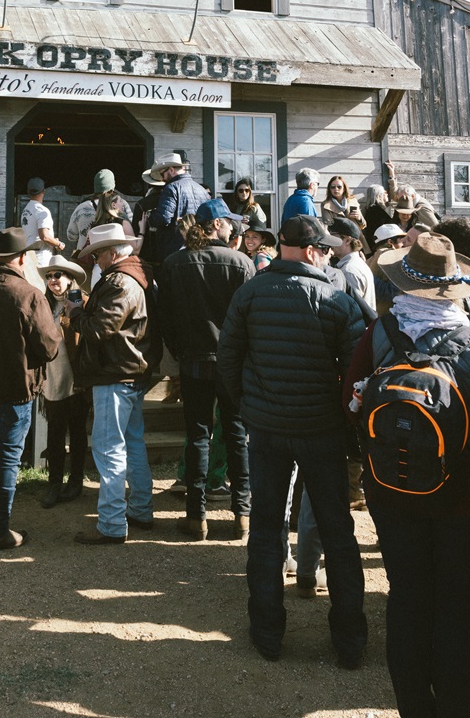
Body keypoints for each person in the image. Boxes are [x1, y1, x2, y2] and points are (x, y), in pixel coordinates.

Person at [219, 215, 367, 667]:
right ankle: (349, 642)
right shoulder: (336, 299)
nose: (326, 255)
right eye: (322, 249)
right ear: (308, 251)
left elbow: (228, 357)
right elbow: (357, 374)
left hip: (268, 428)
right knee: (338, 531)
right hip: (320, 429)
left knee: (266, 529)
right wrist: (344, 421)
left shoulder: (250, 292)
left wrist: (248, 407)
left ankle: (267, 633)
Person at [345, 232, 470, 717]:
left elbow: (351, 404)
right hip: (464, 498)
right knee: (459, 606)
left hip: (392, 490)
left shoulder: (379, 333)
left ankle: (413, 709)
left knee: (407, 599)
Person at [158, 199, 254, 540]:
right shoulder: (241, 263)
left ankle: (196, 516)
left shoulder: (174, 263)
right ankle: (242, 513)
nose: (232, 227)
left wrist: (180, 350)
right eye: (228, 222)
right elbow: (250, 320)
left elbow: (165, 318)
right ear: (215, 225)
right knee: (236, 436)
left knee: (199, 436)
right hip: (231, 363)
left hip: (194, 361)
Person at [0, 226, 61, 552]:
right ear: (22, 257)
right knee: (6, 459)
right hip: (15, 389)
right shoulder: (28, 294)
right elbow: (48, 348)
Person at [70, 223, 161, 545]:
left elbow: (98, 330)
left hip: (114, 374)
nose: (95, 262)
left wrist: (76, 313)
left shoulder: (119, 281)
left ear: (111, 253)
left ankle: (110, 524)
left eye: (97, 256)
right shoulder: (138, 276)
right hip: (131, 372)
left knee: (110, 450)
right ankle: (141, 510)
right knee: (132, 445)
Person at [37, 254, 90, 507]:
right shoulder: (43, 305)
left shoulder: (82, 303)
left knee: (78, 431)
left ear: (70, 278)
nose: (52, 280)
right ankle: (54, 482)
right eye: (49, 276)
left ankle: (76, 479)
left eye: (57, 275)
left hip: (76, 376)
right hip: (53, 376)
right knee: (55, 432)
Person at [149, 153, 209, 262]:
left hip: (175, 249)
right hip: (199, 247)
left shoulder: (171, 188)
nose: (162, 179)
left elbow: (163, 218)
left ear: (171, 170)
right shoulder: (202, 190)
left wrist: (151, 216)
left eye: (163, 174)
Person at [67, 170, 134, 251]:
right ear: (113, 185)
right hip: (114, 256)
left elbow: (71, 236)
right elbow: (131, 231)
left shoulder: (81, 208)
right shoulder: (120, 204)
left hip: (86, 257)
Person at [330, 218, 376, 308]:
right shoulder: (355, 264)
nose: (329, 242)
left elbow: (352, 310)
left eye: (333, 238)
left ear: (347, 240)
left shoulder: (349, 271)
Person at [21, 178, 64, 266]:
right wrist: (58, 244)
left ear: (28, 192)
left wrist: (52, 239)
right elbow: (44, 236)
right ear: (43, 191)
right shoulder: (42, 210)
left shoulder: (26, 210)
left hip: (28, 256)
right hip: (40, 258)